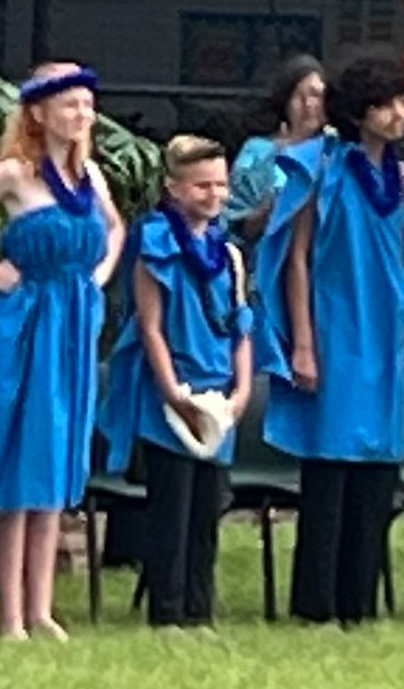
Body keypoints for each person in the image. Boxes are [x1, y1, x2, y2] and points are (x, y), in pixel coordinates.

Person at [0, 61, 121, 641]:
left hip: (72, 326)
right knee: (19, 466)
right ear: (38, 112)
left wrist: (100, 278)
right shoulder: (16, 174)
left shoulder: (92, 178)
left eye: (87, 105)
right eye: (68, 105)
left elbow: (115, 230)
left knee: (53, 463)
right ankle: (10, 613)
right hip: (23, 324)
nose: (80, 115)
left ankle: (42, 608)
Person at [254, 54, 404, 626]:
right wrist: (302, 341)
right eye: (388, 104)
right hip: (334, 326)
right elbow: (295, 257)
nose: (401, 115)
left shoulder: (400, 178)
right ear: (359, 111)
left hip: (383, 328)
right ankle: (316, 603)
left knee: (376, 465)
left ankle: (360, 602)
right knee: (330, 461)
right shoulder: (320, 167)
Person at [100, 135, 254, 630]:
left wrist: (243, 391)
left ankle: (199, 610)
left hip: (220, 392)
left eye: (220, 184)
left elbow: (241, 326)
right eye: (201, 185)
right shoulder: (156, 243)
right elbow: (149, 326)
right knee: (173, 508)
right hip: (171, 392)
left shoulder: (228, 253)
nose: (213, 195)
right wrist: (171, 392)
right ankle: (166, 613)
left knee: (209, 509)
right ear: (173, 188)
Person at [228, 57, 324, 232]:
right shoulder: (257, 151)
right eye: (298, 96)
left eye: (316, 95)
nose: (308, 104)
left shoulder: (336, 152)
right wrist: (268, 211)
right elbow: (234, 223)